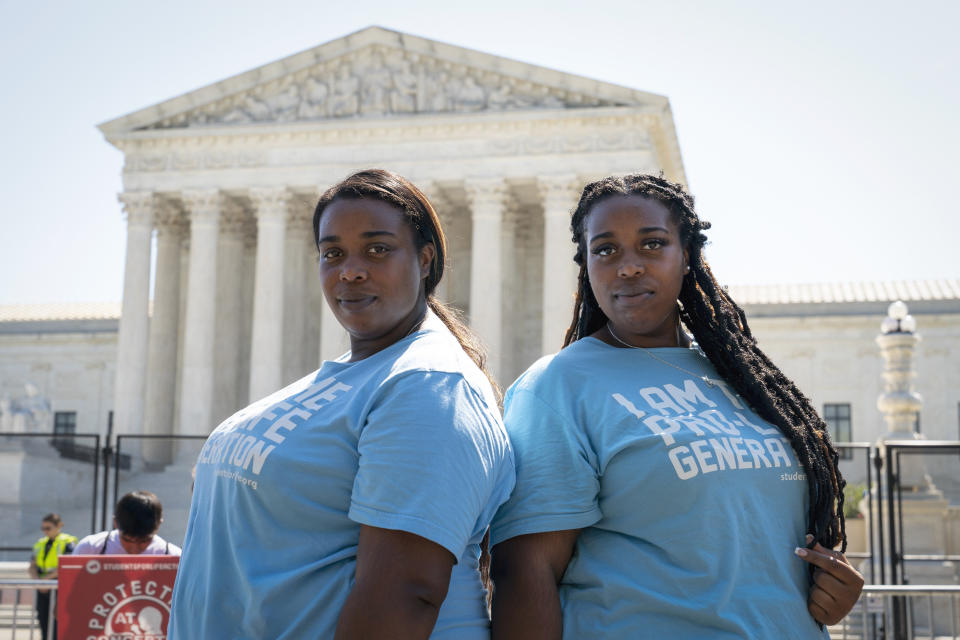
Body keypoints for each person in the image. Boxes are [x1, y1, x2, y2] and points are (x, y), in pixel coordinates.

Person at [490, 174, 864, 639]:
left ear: (686, 256)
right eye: (605, 250)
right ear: (585, 265)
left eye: (652, 244)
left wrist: (831, 588)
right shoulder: (557, 388)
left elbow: (756, 535)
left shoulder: (745, 382)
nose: (628, 267)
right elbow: (525, 573)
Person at [169, 169, 514, 639]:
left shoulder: (428, 385)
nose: (350, 270)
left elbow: (406, 592)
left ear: (425, 259)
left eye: (377, 249)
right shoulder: (351, 375)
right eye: (333, 253)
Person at [73, 490, 181, 555]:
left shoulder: (173, 557)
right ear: (115, 523)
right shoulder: (90, 550)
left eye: (144, 541)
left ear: (159, 524)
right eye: (127, 540)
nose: (135, 550)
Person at [29, 513, 76, 639]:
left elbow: (67, 565)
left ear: (59, 526)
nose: (45, 531)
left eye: (48, 528)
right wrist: (38, 582)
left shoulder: (68, 542)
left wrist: (44, 581)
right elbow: (32, 566)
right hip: (42, 587)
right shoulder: (40, 543)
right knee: (43, 619)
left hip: (58, 586)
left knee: (57, 621)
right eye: (43, 528)